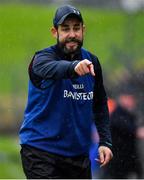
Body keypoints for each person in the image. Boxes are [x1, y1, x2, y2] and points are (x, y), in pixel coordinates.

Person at [19, 4, 113, 179]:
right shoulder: (42, 59)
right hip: (41, 152)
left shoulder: (92, 62)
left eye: (76, 28)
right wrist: (73, 67)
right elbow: (51, 68)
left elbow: (100, 105)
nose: (72, 35)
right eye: (66, 29)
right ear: (55, 32)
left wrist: (105, 141)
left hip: (78, 156)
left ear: (83, 30)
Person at [101, 94, 143, 179]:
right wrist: (136, 131)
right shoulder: (117, 114)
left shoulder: (128, 114)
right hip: (118, 157)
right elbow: (129, 128)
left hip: (126, 156)